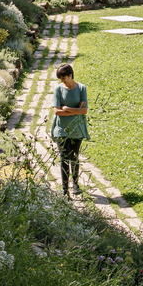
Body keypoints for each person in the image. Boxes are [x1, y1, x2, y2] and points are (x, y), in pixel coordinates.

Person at [51, 62, 89, 196]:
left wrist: (67, 109)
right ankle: (64, 189)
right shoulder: (58, 89)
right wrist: (75, 111)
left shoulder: (81, 89)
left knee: (74, 156)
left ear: (70, 75)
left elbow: (84, 110)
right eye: (60, 78)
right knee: (64, 158)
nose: (62, 80)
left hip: (77, 129)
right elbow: (56, 111)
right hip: (61, 129)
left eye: (64, 77)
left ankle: (76, 184)